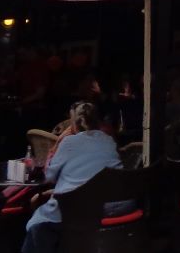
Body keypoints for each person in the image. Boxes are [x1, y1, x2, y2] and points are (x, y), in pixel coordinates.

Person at [22, 101, 128, 253]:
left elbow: (50, 176)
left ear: (73, 125)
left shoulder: (69, 142)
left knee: (40, 222)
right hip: (116, 205)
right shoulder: (108, 141)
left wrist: (60, 140)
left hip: (82, 210)